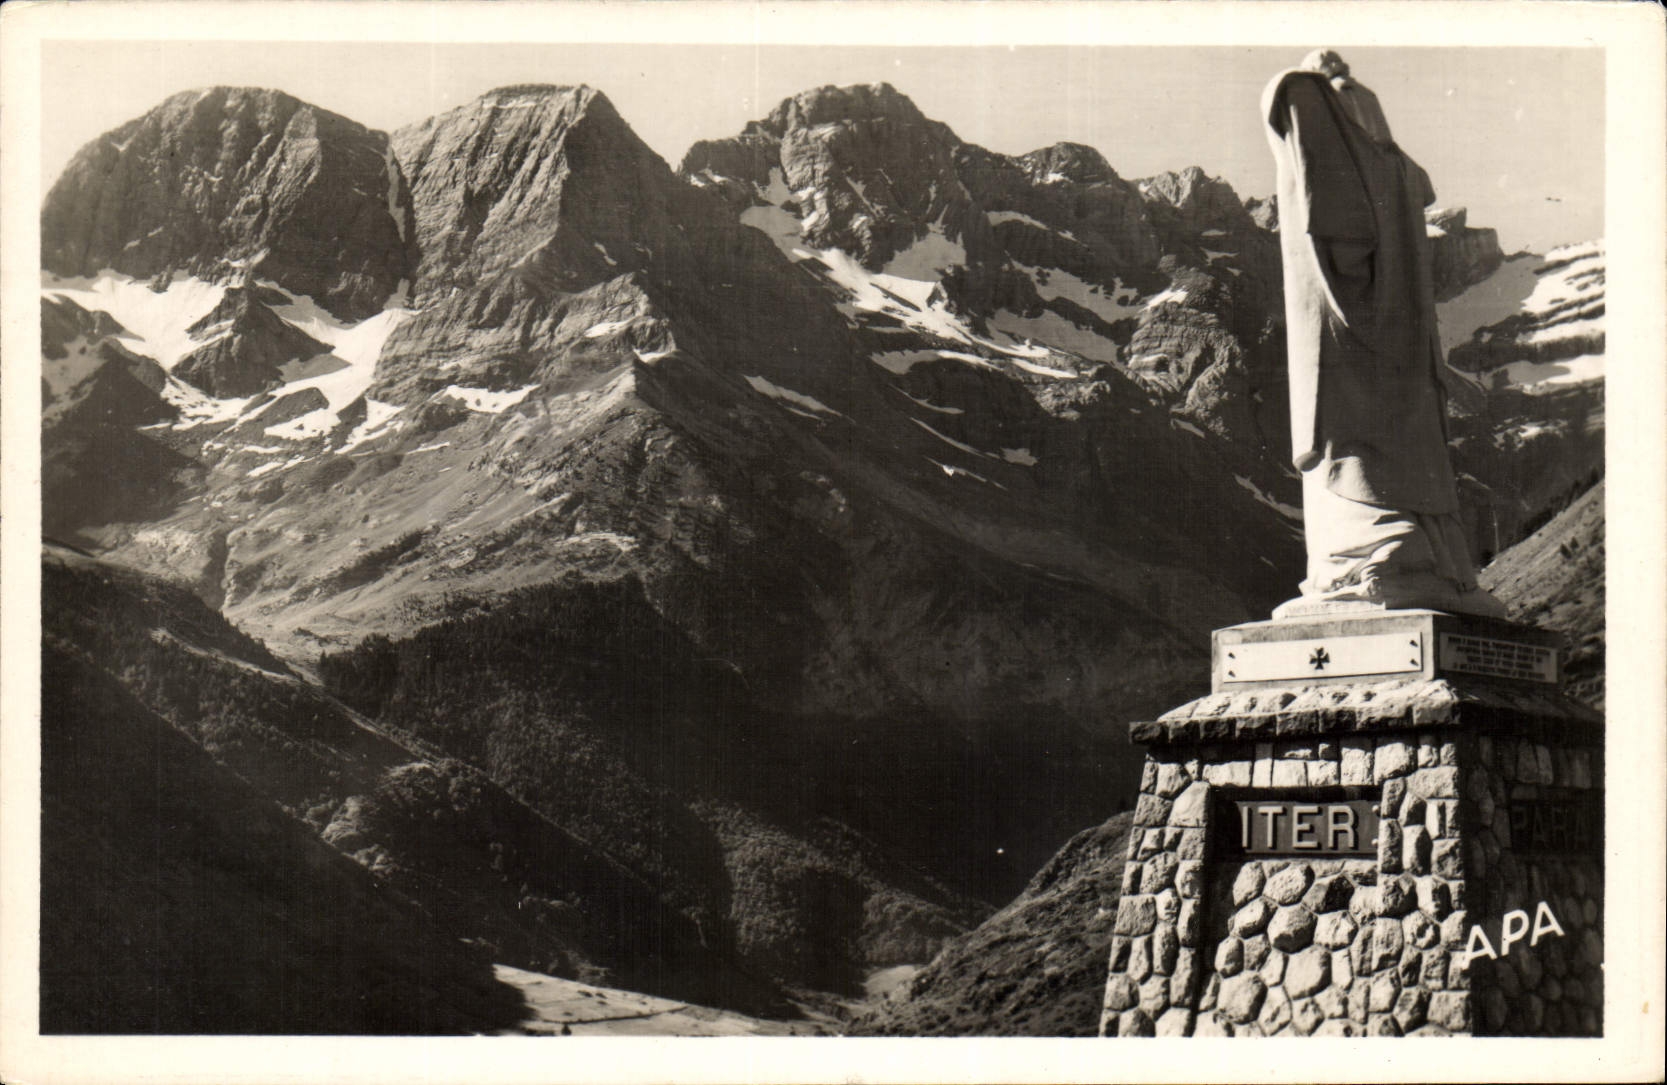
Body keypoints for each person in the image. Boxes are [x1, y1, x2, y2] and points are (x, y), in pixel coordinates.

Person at [1261, 50, 1504, 618]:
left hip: (1371, 351)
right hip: (1393, 353)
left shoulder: (1366, 178)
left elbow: (1297, 105)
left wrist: (1311, 90)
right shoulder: (1395, 182)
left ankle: (1377, 553)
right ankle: (1407, 557)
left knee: (1363, 434)